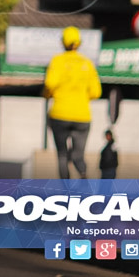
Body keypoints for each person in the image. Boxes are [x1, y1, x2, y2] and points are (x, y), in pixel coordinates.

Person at [43, 25, 102, 179]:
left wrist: (49, 94)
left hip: (60, 114)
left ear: (63, 42)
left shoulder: (57, 61)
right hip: (82, 116)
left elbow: (49, 84)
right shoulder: (87, 63)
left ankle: (66, 192)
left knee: (62, 155)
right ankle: (83, 176)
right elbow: (96, 92)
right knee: (78, 155)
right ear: (79, 42)